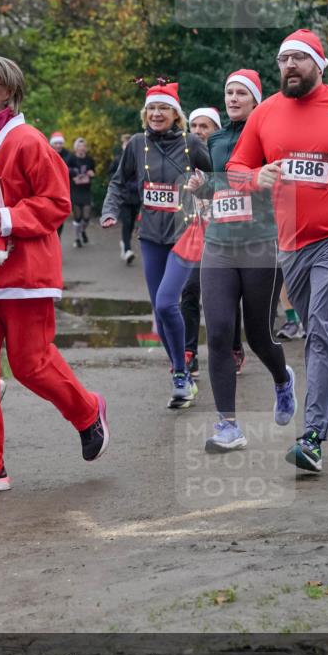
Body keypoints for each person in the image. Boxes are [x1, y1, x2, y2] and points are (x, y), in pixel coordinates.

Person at [0, 55, 109, 495]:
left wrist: (8, 219)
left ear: (9, 90)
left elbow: (57, 202)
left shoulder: (29, 141)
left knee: (30, 364)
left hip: (23, 271)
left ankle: (88, 413)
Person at [227, 29, 328, 471]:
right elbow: (235, 168)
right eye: (284, 58)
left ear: (318, 65)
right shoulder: (265, 113)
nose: (290, 65)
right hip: (291, 246)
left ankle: (311, 437)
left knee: (324, 324)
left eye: (299, 59)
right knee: (322, 333)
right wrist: (256, 177)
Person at [188, 70, 295, 453]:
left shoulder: (272, 136)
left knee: (259, 335)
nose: (232, 99)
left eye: (240, 93)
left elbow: (281, 182)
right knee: (217, 332)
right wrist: (205, 186)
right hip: (219, 243)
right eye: (228, 92)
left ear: (256, 100)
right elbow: (223, 184)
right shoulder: (215, 140)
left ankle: (282, 380)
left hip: (261, 243)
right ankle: (228, 426)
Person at [101, 79, 211, 408]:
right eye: (152, 108)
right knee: (160, 313)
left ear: (176, 114)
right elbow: (119, 182)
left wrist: (202, 184)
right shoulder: (136, 144)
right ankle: (181, 374)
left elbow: (218, 177)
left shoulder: (192, 143)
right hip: (150, 236)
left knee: (166, 303)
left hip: (184, 233)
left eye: (164, 107)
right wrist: (110, 210)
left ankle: (181, 372)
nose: (157, 113)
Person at [180, 107, 222, 374]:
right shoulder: (181, 159)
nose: (197, 131)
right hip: (192, 234)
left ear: (215, 130)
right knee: (189, 290)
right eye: (193, 126)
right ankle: (189, 352)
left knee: (222, 296)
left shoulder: (224, 160)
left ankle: (232, 346)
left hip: (222, 234)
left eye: (204, 126)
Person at [108, 133, 140, 265]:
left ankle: (124, 243)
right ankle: (127, 250)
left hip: (137, 197)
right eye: (126, 144)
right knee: (126, 222)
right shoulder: (117, 160)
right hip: (123, 197)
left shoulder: (141, 159)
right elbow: (111, 176)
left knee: (131, 223)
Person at [67, 137, 95, 248]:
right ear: (75, 148)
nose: (82, 148)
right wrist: (73, 175)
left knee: (87, 217)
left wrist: (91, 173)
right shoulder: (71, 159)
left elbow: (93, 171)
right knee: (78, 216)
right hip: (75, 190)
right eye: (79, 146)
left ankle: (82, 231)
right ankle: (77, 238)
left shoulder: (89, 160)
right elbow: (65, 170)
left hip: (86, 190)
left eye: (84, 146)